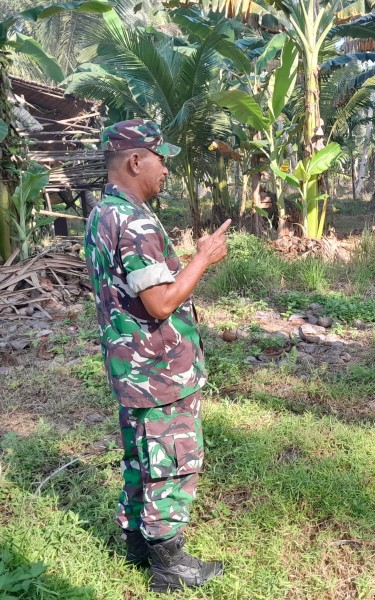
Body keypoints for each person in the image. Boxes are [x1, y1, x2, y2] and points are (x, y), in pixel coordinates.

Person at [84, 119, 229, 592]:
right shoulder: (135, 220)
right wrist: (203, 256)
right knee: (172, 460)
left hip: (131, 367)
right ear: (135, 160)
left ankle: (134, 542)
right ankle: (169, 562)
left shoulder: (103, 213)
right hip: (159, 371)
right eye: (160, 158)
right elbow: (161, 302)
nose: (165, 168)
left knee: (140, 459)